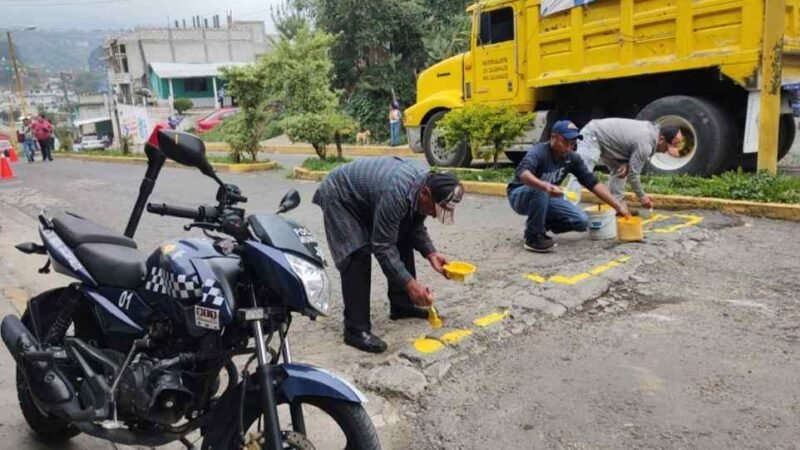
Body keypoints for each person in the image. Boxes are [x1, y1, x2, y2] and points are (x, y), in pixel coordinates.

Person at [313, 157, 464, 353]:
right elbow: (383, 247)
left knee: (402, 234)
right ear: (426, 193)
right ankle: (355, 329)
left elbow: (415, 226)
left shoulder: (424, 187)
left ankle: (401, 305)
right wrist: (411, 285)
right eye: (435, 209)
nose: (435, 215)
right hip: (340, 195)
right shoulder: (395, 193)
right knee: (357, 253)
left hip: (372, 195)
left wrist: (431, 253)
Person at [507, 120, 631, 253]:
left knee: (581, 221)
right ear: (553, 137)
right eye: (565, 142)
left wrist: (618, 206)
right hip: (520, 195)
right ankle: (533, 237)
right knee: (540, 189)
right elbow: (523, 174)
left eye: (573, 143)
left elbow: (593, 183)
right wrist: (543, 185)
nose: (569, 147)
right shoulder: (538, 152)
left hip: (546, 197)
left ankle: (540, 224)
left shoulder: (572, 158)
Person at [566, 118, 683, 209]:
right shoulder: (646, 144)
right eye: (670, 146)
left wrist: (626, 163)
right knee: (581, 173)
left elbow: (626, 143)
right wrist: (642, 197)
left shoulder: (652, 133)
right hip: (593, 135)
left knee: (621, 171)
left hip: (606, 140)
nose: (667, 151)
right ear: (661, 139)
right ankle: (568, 209)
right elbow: (634, 175)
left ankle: (616, 207)